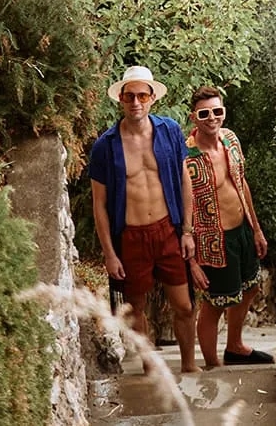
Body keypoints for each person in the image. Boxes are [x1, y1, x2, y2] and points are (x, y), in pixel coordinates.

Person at [88, 66, 199, 372]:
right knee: (135, 308)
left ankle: (189, 366)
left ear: (152, 99)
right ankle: (154, 372)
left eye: (142, 95)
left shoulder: (170, 131)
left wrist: (187, 231)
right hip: (131, 237)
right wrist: (110, 254)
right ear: (120, 99)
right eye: (129, 96)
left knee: (185, 305)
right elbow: (99, 204)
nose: (135, 101)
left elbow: (185, 181)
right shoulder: (105, 146)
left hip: (167, 231)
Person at [184, 86, 272, 368]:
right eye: (205, 113)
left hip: (242, 231)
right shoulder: (186, 157)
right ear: (193, 118)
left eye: (217, 111)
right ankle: (213, 366)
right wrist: (193, 261)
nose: (213, 118)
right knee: (214, 304)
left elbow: (241, 183)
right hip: (212, 241)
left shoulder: (230, 140)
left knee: (250, 289)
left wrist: (256, 229)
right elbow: (180, 209)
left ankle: (235, 346)